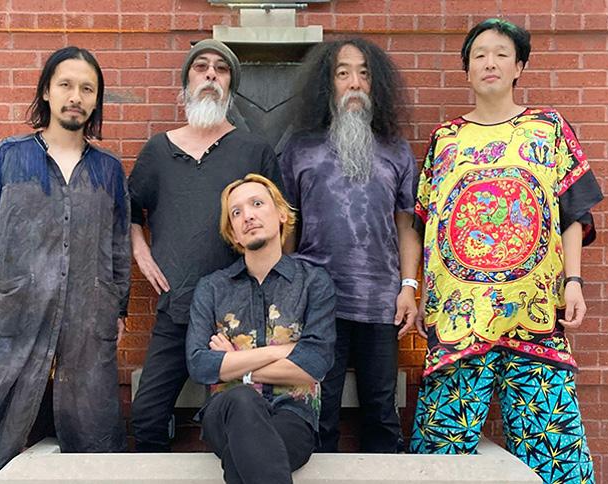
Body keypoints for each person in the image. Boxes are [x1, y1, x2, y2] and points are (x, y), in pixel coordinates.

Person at [408, 18, 603, 484]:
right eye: (479, 55)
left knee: (556, 455)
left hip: (534, 317)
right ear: (467, 70)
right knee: (439, 457)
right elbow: (423, 222)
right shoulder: (445, 139)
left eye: (500, 54)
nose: (489, 63)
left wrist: (573, 282)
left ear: (519, 67)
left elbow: (573, 212)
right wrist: (413, 289)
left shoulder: (548, 128)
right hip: (458, 321)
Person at [0, 47, 130, 483]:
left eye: (87, 89)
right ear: (47, 92)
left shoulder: (109, 169)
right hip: (20, 309)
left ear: (96, 100)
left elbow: (118, 244)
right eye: (66, 85)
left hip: (89, 314)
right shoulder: (11, 155)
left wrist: (118, 307)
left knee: (92, 424)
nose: (76, 97)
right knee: (1, 418)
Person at [129, 39, 283, 452]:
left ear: (231, 86)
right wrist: (141, 252)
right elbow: (128, 210)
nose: (211, 74)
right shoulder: (158, 151)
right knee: (146, 415)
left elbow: (280, 222)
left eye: (222, 68)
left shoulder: (254, 150)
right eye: (201, 67)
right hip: (177, 306)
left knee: (245, 415)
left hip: (240, 312)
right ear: (186, 83)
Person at [280, 38, 421, 453]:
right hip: (318, 301)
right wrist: (287, 292)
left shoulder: (397, 151)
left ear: (377, 84)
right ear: (328, 84)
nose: (355, 83)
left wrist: (409, 287)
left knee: (381, 410)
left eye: (364, 73)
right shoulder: (300, 149)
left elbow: (407, 224)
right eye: (343, 74)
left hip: (382, 303)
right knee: (319, 410)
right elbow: (287, 224)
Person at [186, 174, 336, 484]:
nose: (248, 216)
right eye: (236, 212)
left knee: (247, 456)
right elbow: (201, 365)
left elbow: (315, 363)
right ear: (233, 232)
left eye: (257, 204)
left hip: (294, 415)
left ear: (281, 214)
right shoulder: (212, 288)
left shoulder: (313, 282)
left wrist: (234, 364)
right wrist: (280, 352)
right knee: (243, 400)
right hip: (225, 413)